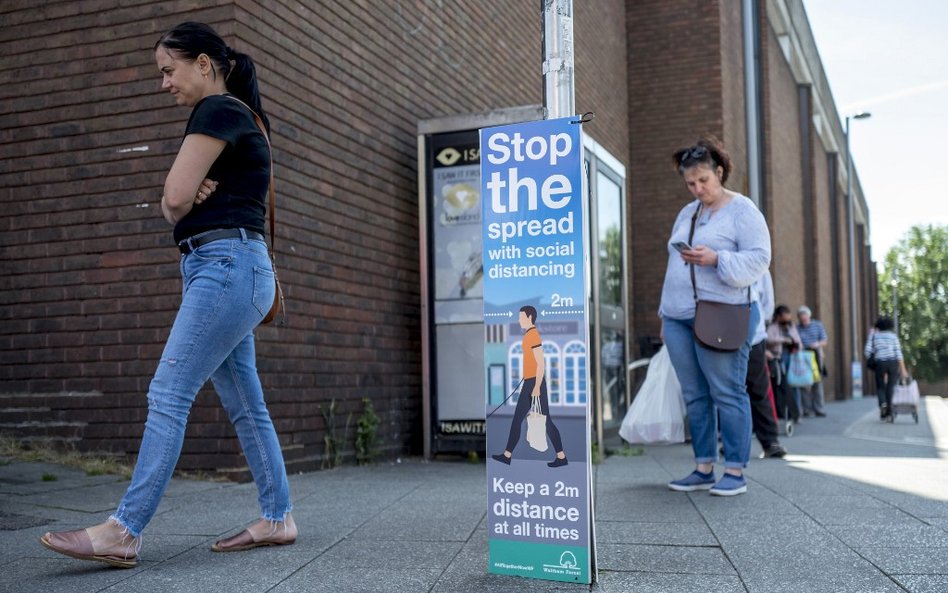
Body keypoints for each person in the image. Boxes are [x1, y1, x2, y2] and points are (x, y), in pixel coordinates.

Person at [40, 22, 296, 568]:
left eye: (168, 70)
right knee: (247, 405)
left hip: (225, 267)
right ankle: (278, 516)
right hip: (236, 269)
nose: (164, 83)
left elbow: (174, 200)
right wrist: (177, 199)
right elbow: (173, 204)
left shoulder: (216, 111)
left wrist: (178, 195)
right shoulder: (238, 116)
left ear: (204, 63)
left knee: (168, 393)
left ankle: (124, 531)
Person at [660, 137, 771, 497]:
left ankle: (735, 470)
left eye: (703, 181)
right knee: (695, 395)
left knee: (727, 390)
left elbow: (759, 259)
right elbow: (672, 266)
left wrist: (717, 260)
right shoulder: (687, 212)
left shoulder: (743, 210)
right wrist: (665, 315)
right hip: (679, 316)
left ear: (719, 172)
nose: (697, 189)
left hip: (722, 313)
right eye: (690, 183)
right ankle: (703, 467)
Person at [491, 306, 569, 467]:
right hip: (529, 382)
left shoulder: (533, 336)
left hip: (535, 383)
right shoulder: (528, 335)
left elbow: (541, 364)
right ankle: (507, 455)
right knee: (518, 420)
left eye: (521, 317)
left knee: (545, 421)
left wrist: (536, 386)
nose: (519, 320)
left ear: (529, 317)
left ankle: (561, 457)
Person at [748, 272, 786, 458]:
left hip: (753, 335)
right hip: (726, 334)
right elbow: (768, 306)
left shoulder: (759, 267)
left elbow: (767, 306)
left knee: (757, 388)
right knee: (739, 391)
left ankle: (770, 441)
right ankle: (739, 440)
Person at [865, 316, 908, 421]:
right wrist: (903, 369)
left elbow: (867, 351)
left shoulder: (874, 336)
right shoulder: (893, 337)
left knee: (880, 386)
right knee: (891, 387)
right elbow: (898, 353)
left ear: (878, 326)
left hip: (880, 363)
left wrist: (873, 359)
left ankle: (883, 403)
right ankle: (889, 414)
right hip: (893, 363)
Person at [766, 305, 803, 426]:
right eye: (784, 316)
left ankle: (795, 413)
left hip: (790, 357)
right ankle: (783, 413)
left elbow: (798, 340)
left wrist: (794, 343)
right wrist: (783, 340)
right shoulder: (772, 327)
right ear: (779, 316)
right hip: (778, 358)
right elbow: (768, 339)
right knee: (782, 385)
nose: (787, 318)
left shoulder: (791, 326)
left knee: (793, 385)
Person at [796, 305, 828, 417]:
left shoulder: (817, 325)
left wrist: (817, 344)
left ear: (809, 316)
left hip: (815, 355)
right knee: (804, 382)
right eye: (801, 317)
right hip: (803, 355)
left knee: (817, 382)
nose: (803, 318)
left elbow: (824, 340)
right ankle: (806, 409)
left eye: (804, 316)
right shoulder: (797, 328)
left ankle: (819, 408)